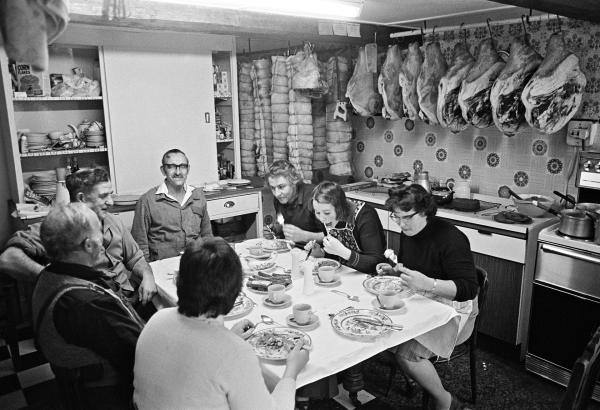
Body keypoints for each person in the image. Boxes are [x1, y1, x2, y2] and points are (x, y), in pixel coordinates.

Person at [133, 237, 309, 410]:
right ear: (235, 294)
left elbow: (198, 355)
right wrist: (291, 372)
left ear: (177, 280)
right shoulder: (235, 353)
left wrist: (228, 337)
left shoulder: (155, 321)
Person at [32, 203, 144, 409]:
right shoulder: (85, 303)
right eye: (99, 233)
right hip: (107, 397)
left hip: (76, 392)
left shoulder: (50, 274)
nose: (104, 242)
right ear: (89, 245)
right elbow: (140, 356)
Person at [377, 184, 479, 410]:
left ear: (424, 210)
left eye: (407, 218)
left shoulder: (451, 238)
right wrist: (396, 271)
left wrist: (429, 284)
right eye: (396, 217)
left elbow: (469, 288)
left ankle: (446, 400)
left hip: (455, 308)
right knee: (381, 332)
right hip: (425, 298)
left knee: (407, 354)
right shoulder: (409, 231)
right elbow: (414, 267)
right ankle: (418, 378)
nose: (401, 224)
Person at [0, 168, 157, 308]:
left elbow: (136, 258)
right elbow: (8, 259)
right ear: (81, 198)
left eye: (110, 194)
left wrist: (148, 276)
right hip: (92, 307)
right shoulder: (59, 226)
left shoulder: (113, 220)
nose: (110, 201)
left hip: (128, 300)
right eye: (103, 196)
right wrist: (49, 278)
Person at [131, 149, 213, 261]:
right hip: (162, 266)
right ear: (163, 170)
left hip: (195, 263)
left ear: (188, 169)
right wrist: (148, 272)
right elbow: (139, 246)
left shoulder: (198, 196)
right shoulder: (147, 201)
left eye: (183, 166)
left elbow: (207, 236)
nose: (178, 172)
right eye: (172, 166)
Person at [307, 181, 386, 273]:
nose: (321, 219)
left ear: (339, 208)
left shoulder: (365, 215)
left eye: (327, 213)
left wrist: (344, 252)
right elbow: (335, 257)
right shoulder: (325, 216)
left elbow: (376, 263)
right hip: (345, 272)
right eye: (317, 212)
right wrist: (321, 253)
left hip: (369, 276)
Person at [265, 160, 324, 246]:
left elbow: (334, 235)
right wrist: (275, 230)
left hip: (320, 255)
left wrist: (305, 236)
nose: (277, 194)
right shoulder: (280, 198)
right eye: (273, 188)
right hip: (292, 250)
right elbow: (282, 221)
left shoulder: (316, 197)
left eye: (281, 187)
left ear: (294, 181)